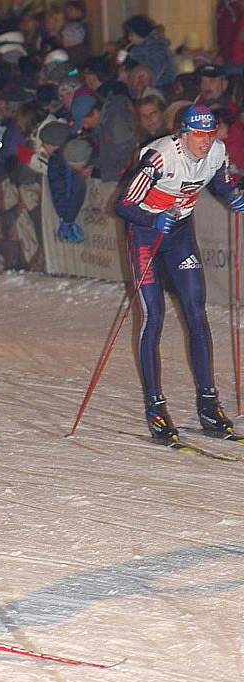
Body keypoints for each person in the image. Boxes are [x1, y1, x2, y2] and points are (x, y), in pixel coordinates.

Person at [114, 105, 244, 442]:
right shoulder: (159, 158)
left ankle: (208, 404)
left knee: (196, 314)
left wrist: (232, 196)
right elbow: (123, 205)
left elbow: (217, 181)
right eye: (199, 134)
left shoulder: (216, 151)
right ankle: (155, 408)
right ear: (183, 133)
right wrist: (152, 220)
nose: (205, 141)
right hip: (145, 236)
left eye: (210, 133)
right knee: (153, 317)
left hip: (180, 236)